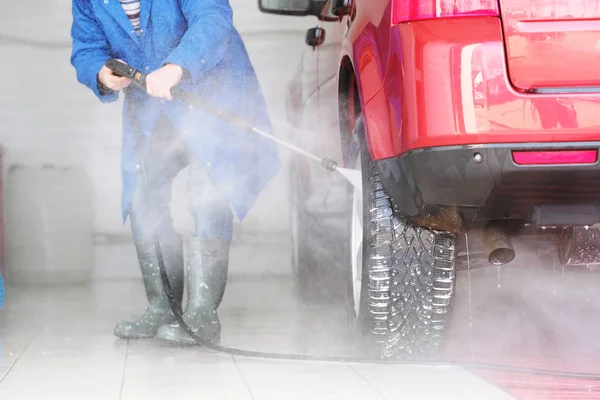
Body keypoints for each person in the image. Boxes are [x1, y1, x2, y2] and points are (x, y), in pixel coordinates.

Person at [70, 0, 280, 344]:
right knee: (142, 195)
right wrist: (100, 72)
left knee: (206, 189)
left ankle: (202, 314)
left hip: (209, 93)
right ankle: (162, 307)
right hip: (149, 105)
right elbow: (87, 47)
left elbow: (213, 18)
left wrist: (177, 65)